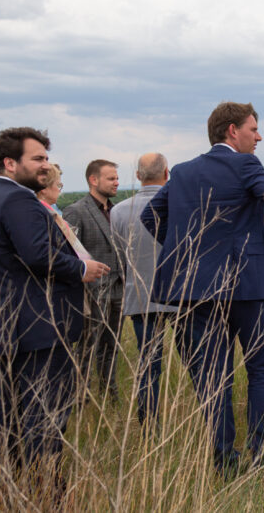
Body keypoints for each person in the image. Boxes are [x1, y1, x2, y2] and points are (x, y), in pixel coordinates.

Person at [142, 102, 264, 476]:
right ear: (231, 131)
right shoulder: (245, 165)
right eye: (253, 129)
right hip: (246, 286)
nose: (258, 136)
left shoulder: (186, 171)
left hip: (194, 291)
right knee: (260, 369)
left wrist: (188, 252)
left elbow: (150, 216)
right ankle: (261, 454)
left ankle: (224, 460)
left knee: (212, 375)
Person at [0, 128, 109, 483]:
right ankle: (48, 492)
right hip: (39, 326)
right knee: (44, 415)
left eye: (47, 158)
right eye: (38, 159)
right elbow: (37, 255)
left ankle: (10, 485)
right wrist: (82, 269)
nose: (46, 166)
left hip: (6, 325)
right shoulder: (19, 201)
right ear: (10, 163)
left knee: (11, 411)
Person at [110, 153, 177, 430]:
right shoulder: (180, 204)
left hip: (140, 295)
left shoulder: (118, 211)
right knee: (199, 361)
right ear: (167, 173)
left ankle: (149, 425)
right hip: (180, 296)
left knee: (148, 364)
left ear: (138, 176)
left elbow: (119, 254)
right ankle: (212, 423)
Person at [63, 159, 124, 403]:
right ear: (93, 180)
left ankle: (111, 395)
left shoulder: (116, 210)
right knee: (88, 348)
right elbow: (69, 253)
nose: (116, 182)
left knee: (112, 347)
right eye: (111, 178)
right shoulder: (76, 211)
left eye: (117, 178)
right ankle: (81, 398)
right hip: (91, 292)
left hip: (118, 289)